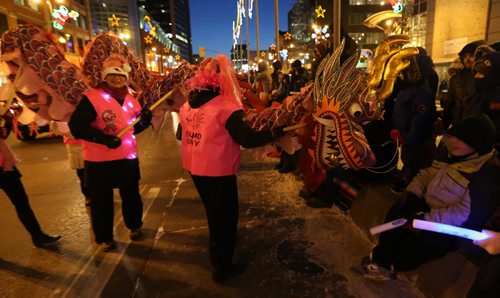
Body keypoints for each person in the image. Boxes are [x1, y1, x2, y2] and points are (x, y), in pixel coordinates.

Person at [177, 54, 285, 283]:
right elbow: (247, 138)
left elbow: (181, 134)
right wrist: (274, 134)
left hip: (195, 168)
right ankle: (222, 266)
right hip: (218, 171)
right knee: (224, 220)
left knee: (214, 215)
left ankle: (219, 258)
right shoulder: (226, 107)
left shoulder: (187, 105)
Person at [359, 114, 500, 281]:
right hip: (428, 206)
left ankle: (392, 265)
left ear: (478, 144)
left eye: (462, 140)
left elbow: (464, 215)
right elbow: (427, 174)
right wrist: (412, 193)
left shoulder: (486, 175)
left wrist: (424, 220)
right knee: (397, 214)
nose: (453, 142)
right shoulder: (450, 154)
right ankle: (381, 258)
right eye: (454, 136)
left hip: (449, 227)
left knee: (419, 244)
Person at [68, 54, 152, 252]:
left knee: (131, 195)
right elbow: (76, 126)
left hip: (128, 158)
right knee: (101, 202)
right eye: (112, 76)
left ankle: (135, 226)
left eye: (121, 76)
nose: (117, 80)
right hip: (99, 161)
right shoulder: (92, 98)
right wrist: (102, 138)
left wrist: (144, 121)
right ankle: (105, 237)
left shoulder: (131, 100)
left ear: (126, 78)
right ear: (105, 77)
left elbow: (132, 129)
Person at [0, 119, 61, 247]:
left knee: (22, 204)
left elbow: (3, 136)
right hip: (5, 167)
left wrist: (7, 121)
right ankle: (38, 237)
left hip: (7, 167)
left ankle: (38, 237)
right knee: (22, 205)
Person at [391, 49, 437, 194]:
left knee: (415, 165)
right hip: (407, 137)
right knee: (409, 162)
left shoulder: (421, 91)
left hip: (415, 140)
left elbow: (420, 119)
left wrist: (410, 138)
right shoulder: (408, 88)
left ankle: (412, 193)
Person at [442, 40, 486, 128]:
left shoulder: (483, 76)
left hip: (476, 124)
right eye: (465, 56)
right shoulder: (455, 78)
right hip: (458, 122)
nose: (467, 59)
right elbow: (449, 103)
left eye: (471, 56)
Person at [51, 121, 90, 206]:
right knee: (83, 173)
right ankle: (88, 195)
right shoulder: (61, 112)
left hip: (91, 143)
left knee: (95, 172)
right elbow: (56, 127)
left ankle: (97, 194)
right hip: (75, 146)